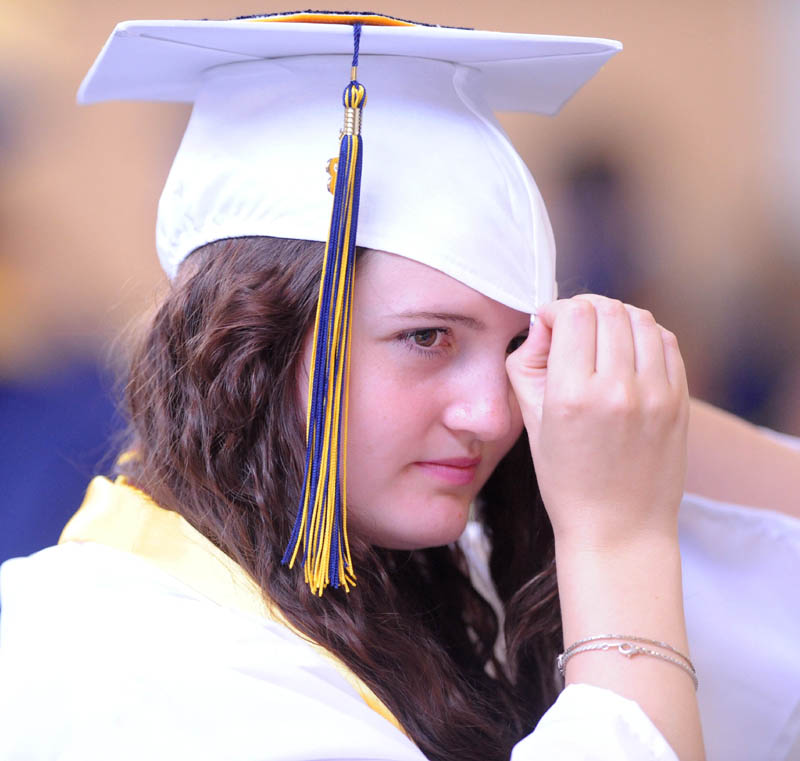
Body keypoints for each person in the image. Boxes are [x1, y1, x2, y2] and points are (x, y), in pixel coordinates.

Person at [0, 12, 798, 761]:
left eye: (520, 343)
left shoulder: (416, 577)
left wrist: (624, 400)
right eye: (426, 338)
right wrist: (620, 541)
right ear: (250, 343)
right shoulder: (116, 653)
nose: (492, 414)